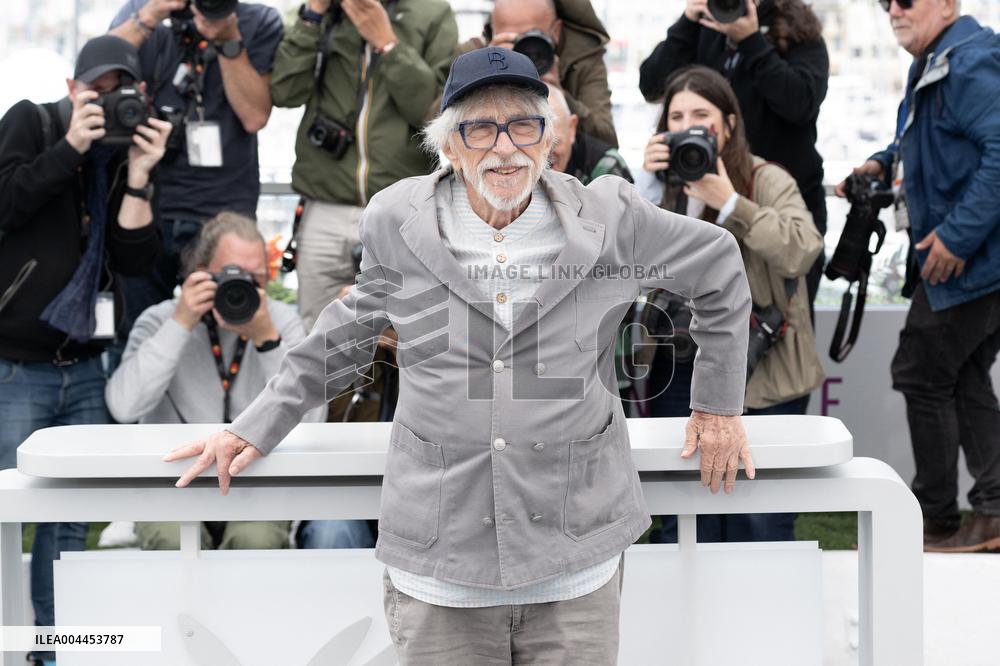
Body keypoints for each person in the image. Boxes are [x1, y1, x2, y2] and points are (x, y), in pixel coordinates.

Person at [164, 48, 756, 664]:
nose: (505, 147)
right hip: (441, 562)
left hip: (574, 558)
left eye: (523, 125)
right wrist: (253, 426)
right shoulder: (398, 218)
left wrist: (716, 406)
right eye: (480, 128)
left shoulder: (607, 214)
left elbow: (717, 267)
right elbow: (350, 332)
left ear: (548, 141)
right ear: (450, 145)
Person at [0, 35, 171, 666]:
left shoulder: (124, 152)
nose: (108, 102)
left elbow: (135, 261)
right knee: (3, 511)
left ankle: (52, 652)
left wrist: (141, 179)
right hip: (16, 366)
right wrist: (68, 148)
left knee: (68, 523)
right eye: (96, 90)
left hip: (86, 367)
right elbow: (5, 203)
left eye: (120, 89)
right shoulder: (31, 120)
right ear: (73, 91)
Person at [835, 0, 1000, 552]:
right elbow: (928, 139)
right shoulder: (937, 59)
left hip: (970, 260)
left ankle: (935, 518)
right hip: (970, 262)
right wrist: (882, 162)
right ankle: (991, 511)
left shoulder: (969, 62)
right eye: (885, 3)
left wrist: (957, 237)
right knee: (963, 375)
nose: (893, 10)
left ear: (949, 4)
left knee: (921, 372)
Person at [642, 65, 824, 543]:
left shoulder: (765, 178)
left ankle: (766, 613)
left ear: (727, 123)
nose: (688, 126)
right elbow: (626, 264)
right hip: (681, 364)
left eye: (701, 113)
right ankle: (688, 611)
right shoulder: (662, 188)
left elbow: (802, 249)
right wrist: (644, 184)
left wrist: (730, 204)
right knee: (683, 503)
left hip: (762, 367)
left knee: (759, 511)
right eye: (676, 116)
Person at [105, 212, 326, 550]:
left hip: (256, 480)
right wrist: (180, 323)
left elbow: (313, 419)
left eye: (255, 277)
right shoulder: (161, 318)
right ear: (200, 272)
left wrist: (267, 340)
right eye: (230, 275)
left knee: (258, 540)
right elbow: (124, 406)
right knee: (171, 539)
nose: (243, 287)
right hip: (172, 481)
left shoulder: (280, 322)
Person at [108, 0, 283, 362]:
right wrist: (151, 14)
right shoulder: (144, 10)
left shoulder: (257, 20)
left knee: (230, 327)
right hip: (147, 205)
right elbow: (98, 70)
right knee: (137, 330)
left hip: (223, 213)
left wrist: (229, 39)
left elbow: (254, 116)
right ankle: (131, 415)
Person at [270, 0, 457, 329]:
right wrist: (312, 16)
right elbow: (285, 92)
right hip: (324, 205)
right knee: (318, 334)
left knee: (402, 334)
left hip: (399, 209)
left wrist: (387, 43)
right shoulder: (322, 13)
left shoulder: (431, 13)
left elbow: (437, 114)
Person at [638, 0, 829, 307]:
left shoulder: (799, 32)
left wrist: (751, 41)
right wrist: (688, 21)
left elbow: (800, 103)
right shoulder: (703, 27)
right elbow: (652, 86)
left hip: (778, 196)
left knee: (783, 320)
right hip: (707, 189)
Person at [457, 0, 617, 148]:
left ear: (556, 31)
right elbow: (438, 125)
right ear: (493, 34)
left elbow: (607, 140)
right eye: (514, 42)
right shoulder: (472, 54)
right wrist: (482, 73)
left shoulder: (582, 59)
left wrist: (559, 94)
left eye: (531, 39)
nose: (523, 53)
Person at [547, 84, 632, 185]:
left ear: (572, 128)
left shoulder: (604, 165)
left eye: (554, 144)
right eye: (538, 144)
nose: (546, 154)